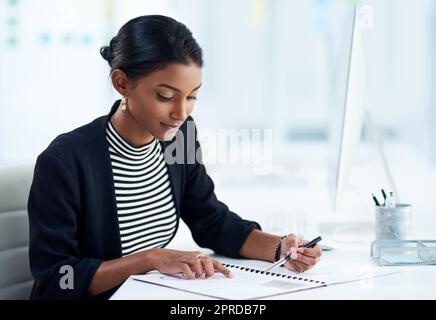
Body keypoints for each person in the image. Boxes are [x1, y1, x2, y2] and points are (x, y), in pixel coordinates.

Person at [27, 15, 322, 300]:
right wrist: (150, 259)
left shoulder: (179, 136)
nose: (181, 114)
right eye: (166, 96)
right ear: (122, 84)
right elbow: (58, 278)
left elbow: (211, 222)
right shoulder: (65, 161)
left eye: (192, 96)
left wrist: (280, 248)